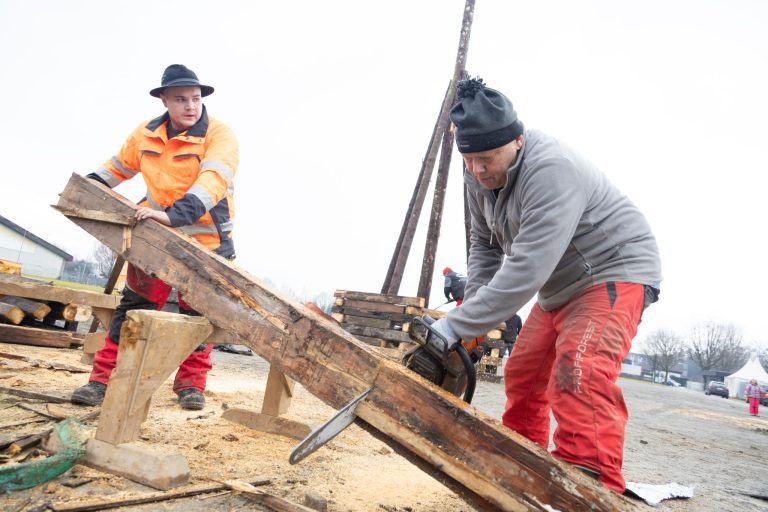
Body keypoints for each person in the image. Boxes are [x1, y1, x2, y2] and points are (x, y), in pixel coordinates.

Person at [429, 77, 662, 493]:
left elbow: (527, 267)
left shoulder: (551, 169)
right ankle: (523, 466)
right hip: (561, 281)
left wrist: (453, 326)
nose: (478, 169)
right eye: (469, 159)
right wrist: (471, 317)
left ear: (516, 141)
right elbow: (484, 246)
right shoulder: (477, 177)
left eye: (487, 158)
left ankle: (589, 487)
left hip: (612, 270)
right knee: (524, 371)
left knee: (580, 369)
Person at [71, 64, 238, 411]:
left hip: (206, 242)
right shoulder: (146, 134)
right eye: (181, 100)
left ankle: (191, 385)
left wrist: (173, 215)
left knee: (200, 315)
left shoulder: (219, 136)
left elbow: (213, 183)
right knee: (135, 307)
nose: (191, 106)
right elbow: (117, 168)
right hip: (155, 235)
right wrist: (86, 189)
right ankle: (102, 381)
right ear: (164, 100)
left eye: (195, 99)